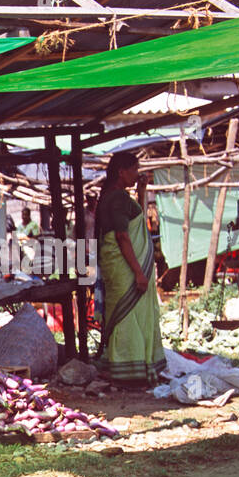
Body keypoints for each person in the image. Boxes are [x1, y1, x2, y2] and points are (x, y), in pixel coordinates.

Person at [95, 150, 165, 388]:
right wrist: (138, 272)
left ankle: (127, 365)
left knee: (126, 312)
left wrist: (142, 192)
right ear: (121, 172)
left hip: (118, 265)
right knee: (127, 313)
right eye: (134, 169)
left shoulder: (115, 197)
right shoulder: (116, 199)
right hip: (123, 266)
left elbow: (135, 220)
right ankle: (128, 368)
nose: (137, 173)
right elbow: (123, 237)